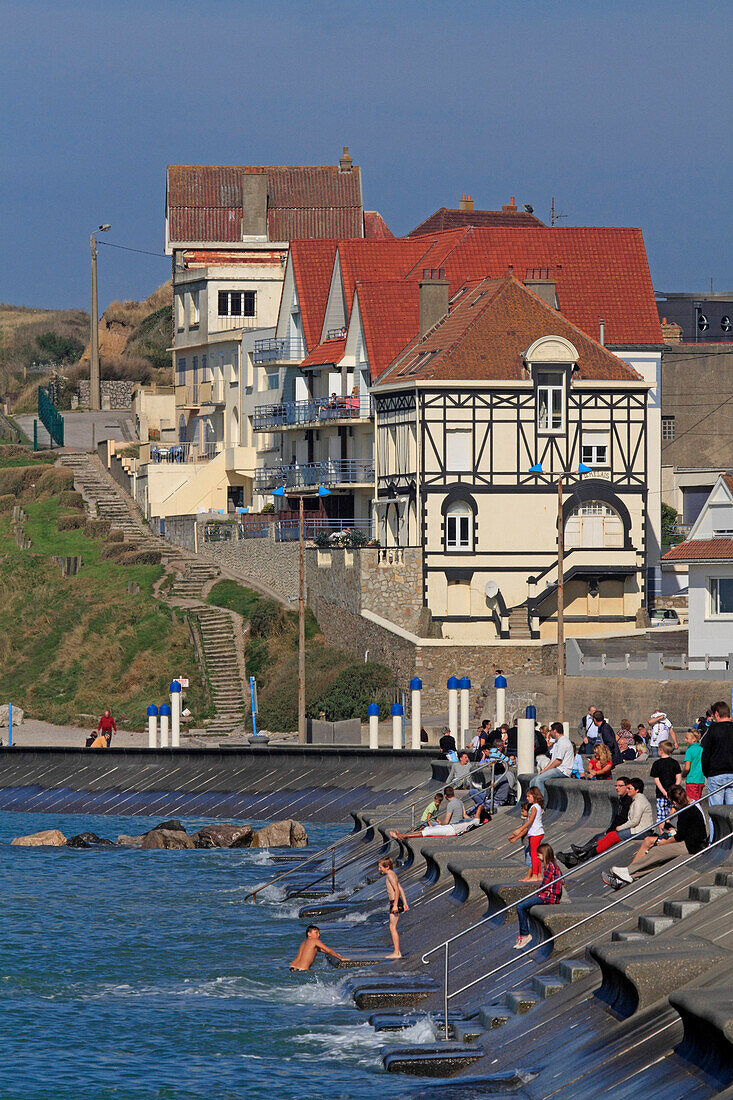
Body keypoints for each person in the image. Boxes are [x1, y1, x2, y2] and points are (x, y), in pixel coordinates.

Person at [604, 785, 708, 888]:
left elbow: (679, 836)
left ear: (675, 802)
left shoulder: (685, 811)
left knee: (656, 851)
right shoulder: (689, 807)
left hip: (691, 846)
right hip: (692, 843)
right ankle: (630, 875)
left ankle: (628, 871)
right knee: (658, 860)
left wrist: (665, 842)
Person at [561, 778, 653, 866]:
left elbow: (634, 821)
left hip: (641, 831)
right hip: (637, 829)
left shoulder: (639, 801)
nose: (628, 790)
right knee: (609, 835)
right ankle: (584, 852)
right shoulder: (636, 800)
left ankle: (585, 855)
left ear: (637, 790)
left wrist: (620, 828)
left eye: (629, 788)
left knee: (611, 837)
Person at [514, 843, 564, 949]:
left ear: (544, 855)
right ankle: (526, 933)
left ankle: (525, 935)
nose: (537, 857)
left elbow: (544, 885)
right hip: (549, 896)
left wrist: (539, 894)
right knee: (525, 907)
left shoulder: (550, 867)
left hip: (549, 897)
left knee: (520, 907)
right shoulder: (553, 866)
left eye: (539, 855)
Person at [390, 786, 471, 839]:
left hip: (452, 828)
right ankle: (403, 835)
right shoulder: (460, 802)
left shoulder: (451, 804)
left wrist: (440, 824)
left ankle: (403, 836)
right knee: (428, 828)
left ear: (445, 796)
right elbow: (465, 815)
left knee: (429, 831)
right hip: (454, 827)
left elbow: (446, 822)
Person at [701, 700, 733, 813]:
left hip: (716, 774)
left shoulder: (713, 730)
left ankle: (717, 831)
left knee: (715, 812)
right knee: (731, 813)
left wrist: (707, 773)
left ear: (717, 714)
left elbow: (705, 754)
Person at [508, 786, 544, 882]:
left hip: (535, 833)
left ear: (534, 796)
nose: (527, 798)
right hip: (537, 832)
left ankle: (535, 875)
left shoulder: (534, 807)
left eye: (529, 796)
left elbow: (530, 820)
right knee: (535, 854)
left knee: (533, 855)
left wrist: (519, 829)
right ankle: (539, 875)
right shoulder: (537, 806)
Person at [530, 723, 574, 799]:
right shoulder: (557, 742)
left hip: (563, 770)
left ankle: (541, 803)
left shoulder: (563, 742)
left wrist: (546, 770)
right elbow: (552, 759)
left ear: (555, 731)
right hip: (556, 768)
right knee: (532, 781)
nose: (549, 733)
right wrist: (544, 770)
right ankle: (533, 802)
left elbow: (558, 761)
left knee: (539, 780)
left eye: (550, 730)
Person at [379, 857, 409, 959]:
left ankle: (397, 952)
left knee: (392, 927)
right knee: (392, 927)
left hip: (394, 902)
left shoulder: (390, 876)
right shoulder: (392, 874)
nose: (379, 869)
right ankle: (396, 951)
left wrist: (395, 904)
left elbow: (396, 890)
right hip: (396, 902)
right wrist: (405, 903)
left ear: (387, 867)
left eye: (380, 867)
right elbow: (400, 888)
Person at [650, 739, 682, 821]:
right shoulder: (674, 763)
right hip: (673, 793)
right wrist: (675, 788)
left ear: (661, 750)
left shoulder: (656, 764)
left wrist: (664, 792)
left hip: (661, 794)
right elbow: (678, 777)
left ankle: (662, 832)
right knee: (673, 815)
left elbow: (657, 780)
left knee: (661, 817)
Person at [682, 729, 705, 803]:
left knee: (691, 802)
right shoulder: (701, 749)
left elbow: (687, 767)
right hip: (700, 779)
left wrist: (683, 774)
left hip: (692, 779)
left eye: (687, 738)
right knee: (698, 800)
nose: (685, 740)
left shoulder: (689, 750)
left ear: (694, 739)